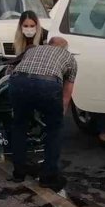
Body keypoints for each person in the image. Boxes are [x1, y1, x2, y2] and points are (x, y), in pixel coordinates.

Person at [8, 37, 77, 191]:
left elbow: (14, 68)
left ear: (48, 44)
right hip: (48, 85)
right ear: (65, 48)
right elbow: (66, 95)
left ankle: (18, 172)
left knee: (19, 126)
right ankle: (49, 177)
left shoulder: (33, 49)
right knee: (54, 130)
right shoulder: (70, 58)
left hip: (18, 81)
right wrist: (59, 116)